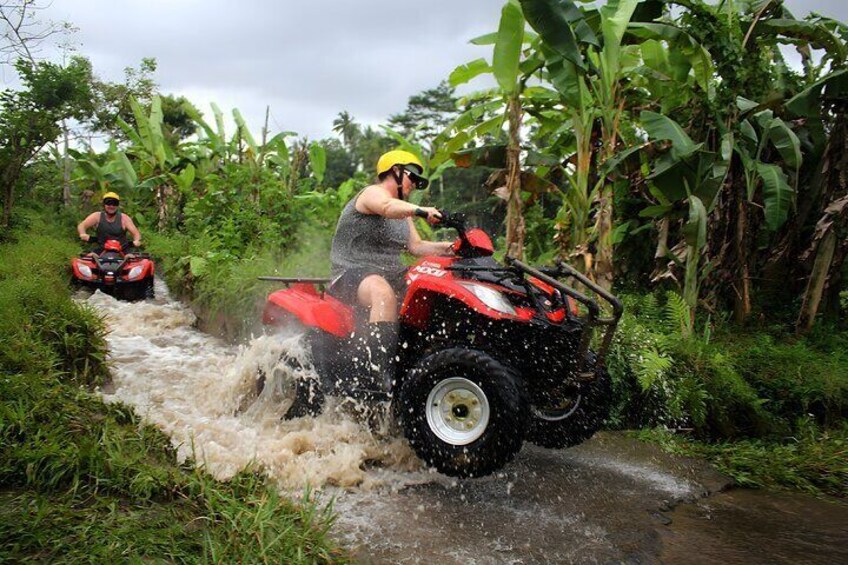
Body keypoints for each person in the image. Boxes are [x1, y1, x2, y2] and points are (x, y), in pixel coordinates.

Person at [329, 150, 453, 396]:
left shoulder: (404, 214)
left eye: (418, 182)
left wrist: (453, 248)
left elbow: (417, 247)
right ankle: (376, 373)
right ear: (395, 171)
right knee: (383, 294)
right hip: (351, 272)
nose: (415, 185)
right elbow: (386, 207)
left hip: (391, 272)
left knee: (433, 291)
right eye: (413, 178)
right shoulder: (373, 194)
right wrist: (421, 210)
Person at [77, 191, 142, 254]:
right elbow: (82, 225)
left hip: (122, 250)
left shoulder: (124, 218)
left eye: (114, 203)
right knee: (89, 257)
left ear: (117, 205)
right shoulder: (97, 216)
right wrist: (82, 233)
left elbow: (136, 234)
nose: (111, 206)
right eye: (108, 203)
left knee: (131, 258)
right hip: (102, 249)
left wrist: (137, 241)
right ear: (104, 204)